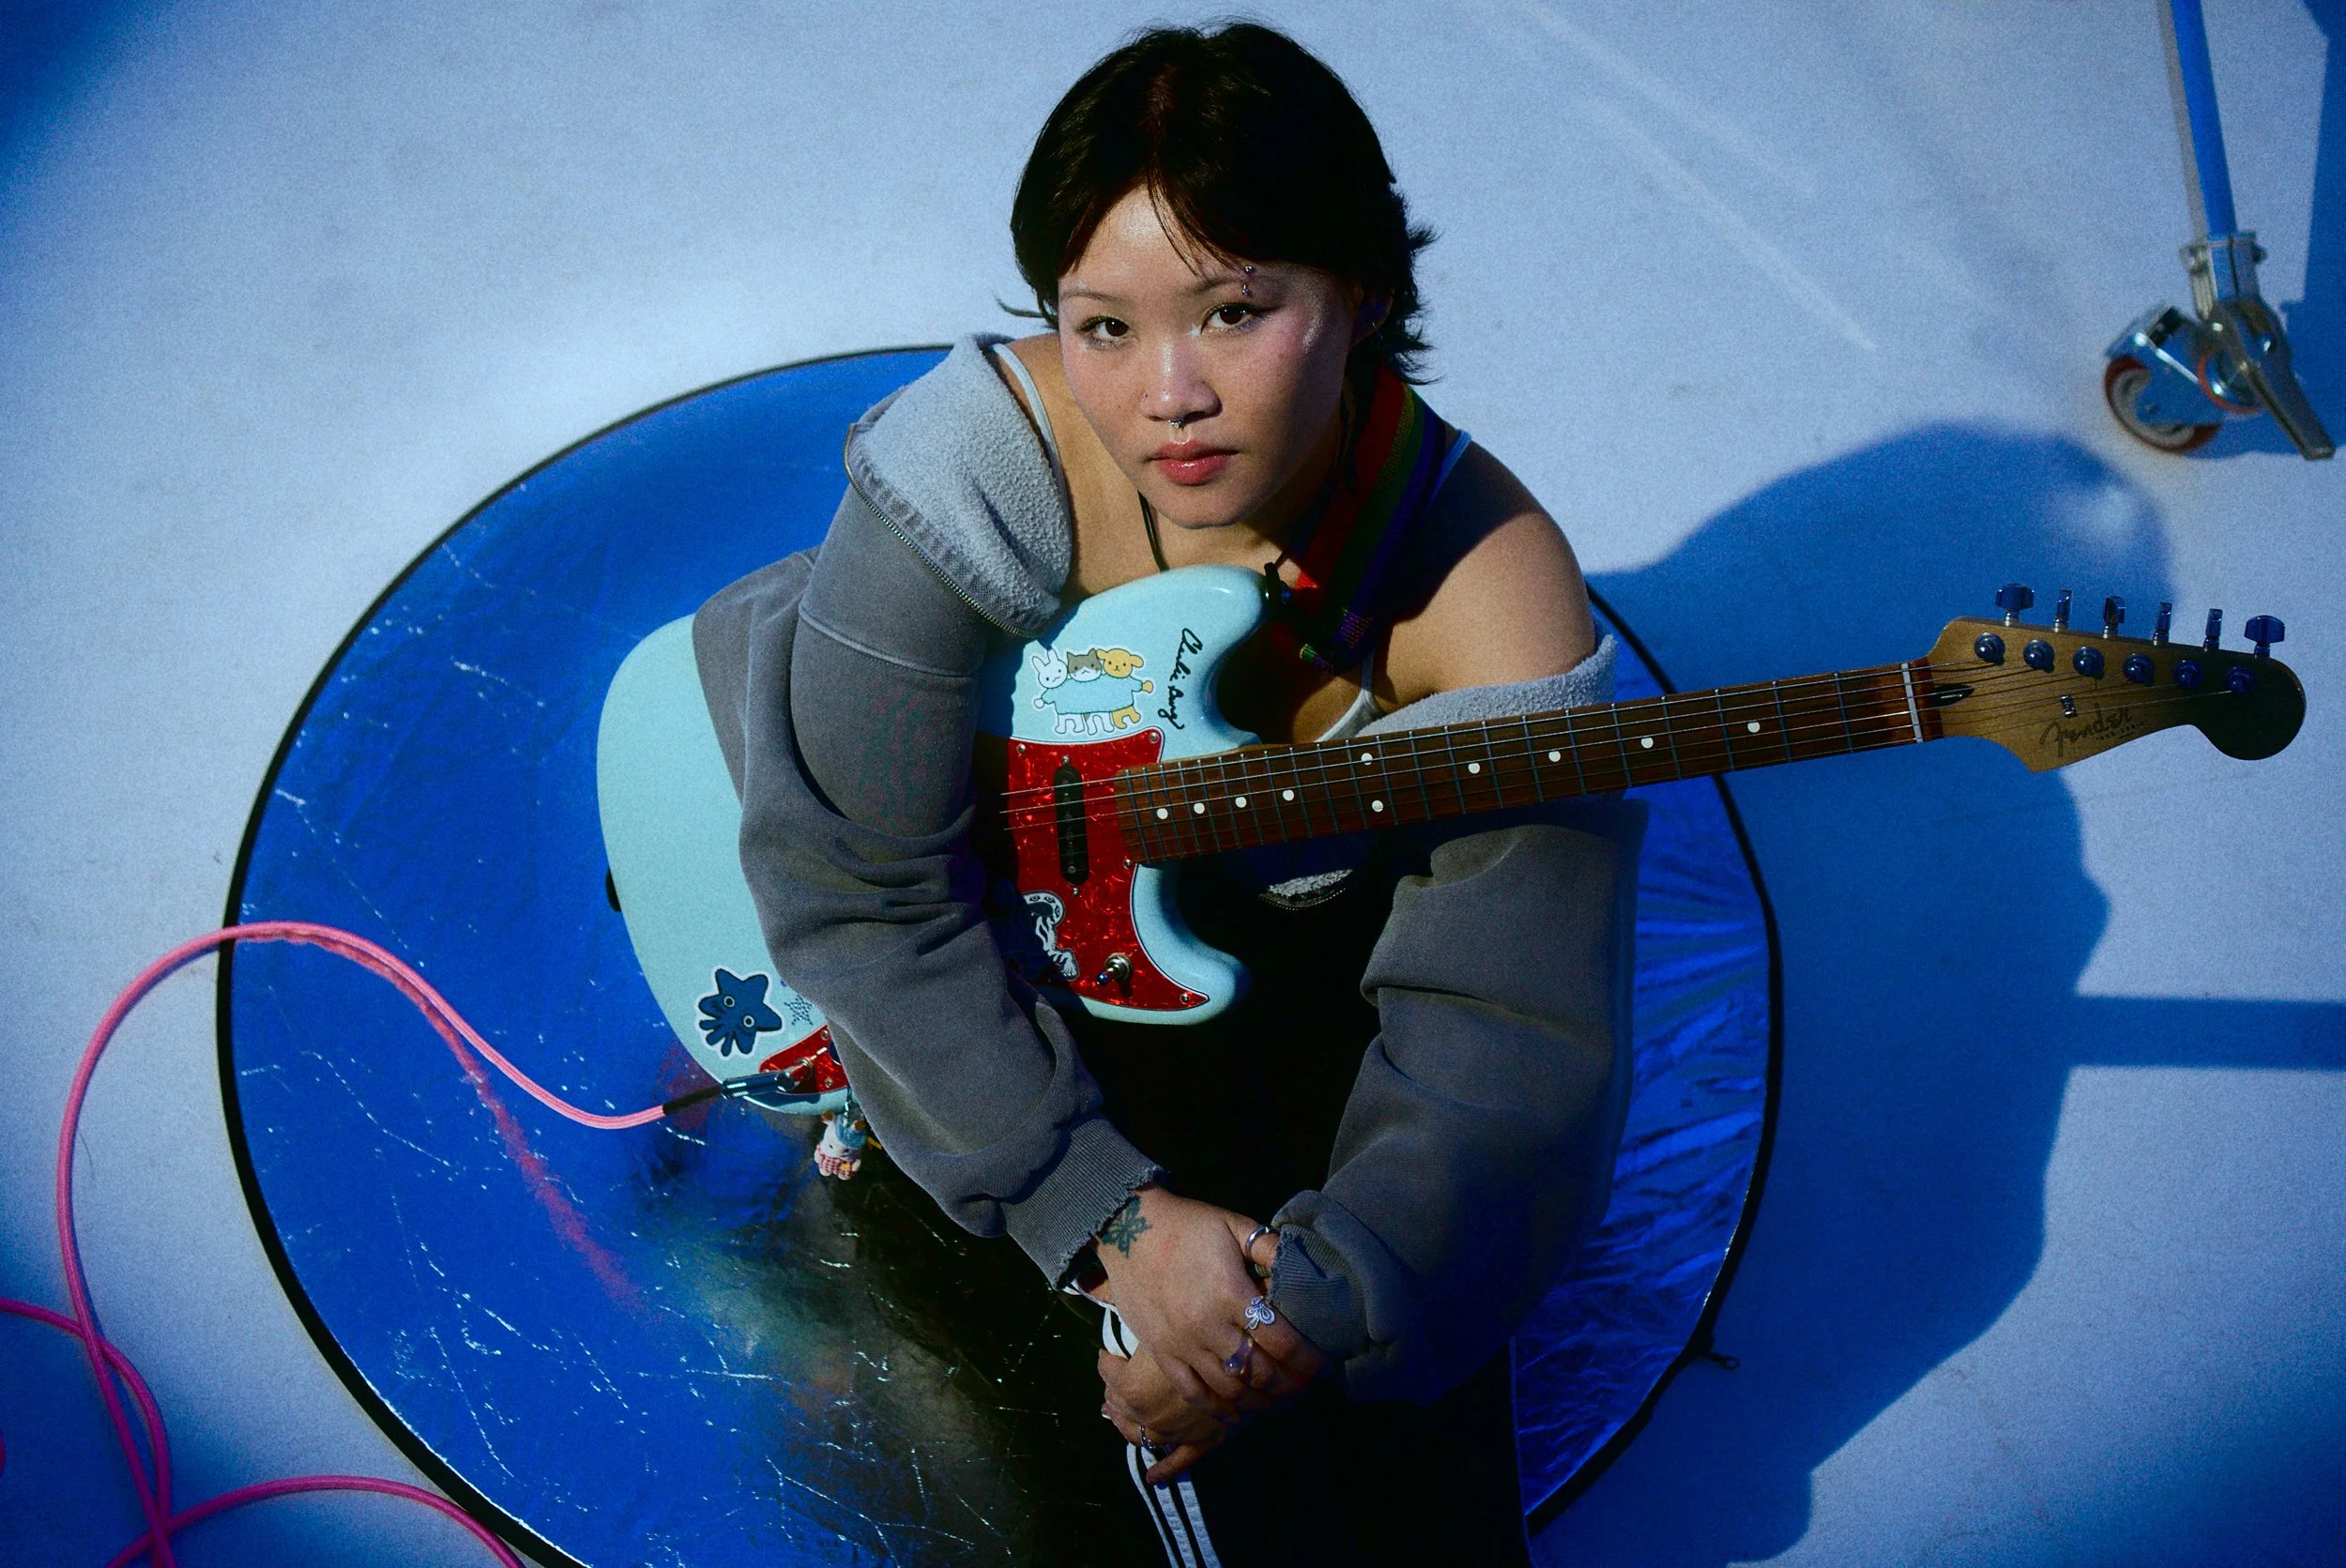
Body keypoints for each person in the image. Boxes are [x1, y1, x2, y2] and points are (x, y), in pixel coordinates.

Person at [693, 23, 1638, 1565]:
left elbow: (1508, 1045)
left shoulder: (1487, 590)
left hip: (1284, 988)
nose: (1168, 395)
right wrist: (1104, 1215)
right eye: (1104, 326)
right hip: (991, 985)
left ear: (1368, 297)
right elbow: (859, 880)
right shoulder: (980, 466)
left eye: (1237, 310)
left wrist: (1303, 1314)